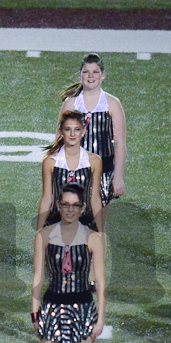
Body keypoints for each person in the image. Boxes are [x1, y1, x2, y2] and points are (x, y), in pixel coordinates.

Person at [31, 183, 106, 343]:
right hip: (52, 307)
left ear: (83, 207)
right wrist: (34, 310)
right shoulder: (43, 236)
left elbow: (100, 281)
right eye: (65, 205)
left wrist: (101, 318)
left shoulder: (93, 238)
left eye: (75, 205)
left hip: (83, 308)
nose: (70, 210)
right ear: (58, 206)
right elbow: (38, 277)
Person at [60, 53, 126, 227]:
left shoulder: (112, 104)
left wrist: (118, 177)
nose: (91, 76)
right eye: (86, 72)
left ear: (103, 75)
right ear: (80, 75)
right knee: (72, 225)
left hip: (104, 173)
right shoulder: (71, 104)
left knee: (97, 228)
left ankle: (94, 255)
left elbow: (119, 143)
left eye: (95, 72)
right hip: (74, 172)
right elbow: (60, 141)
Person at [38, 111, 103, 233]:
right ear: (61, 132)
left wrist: (100, 232)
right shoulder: (50, 162)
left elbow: (95, 198)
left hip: (86, 225)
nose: (73, 134)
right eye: (68, 129)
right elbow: (47, 198)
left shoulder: (94, 161)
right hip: (55, 224)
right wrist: (39, 231)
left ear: (83, 131)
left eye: (77, 129)